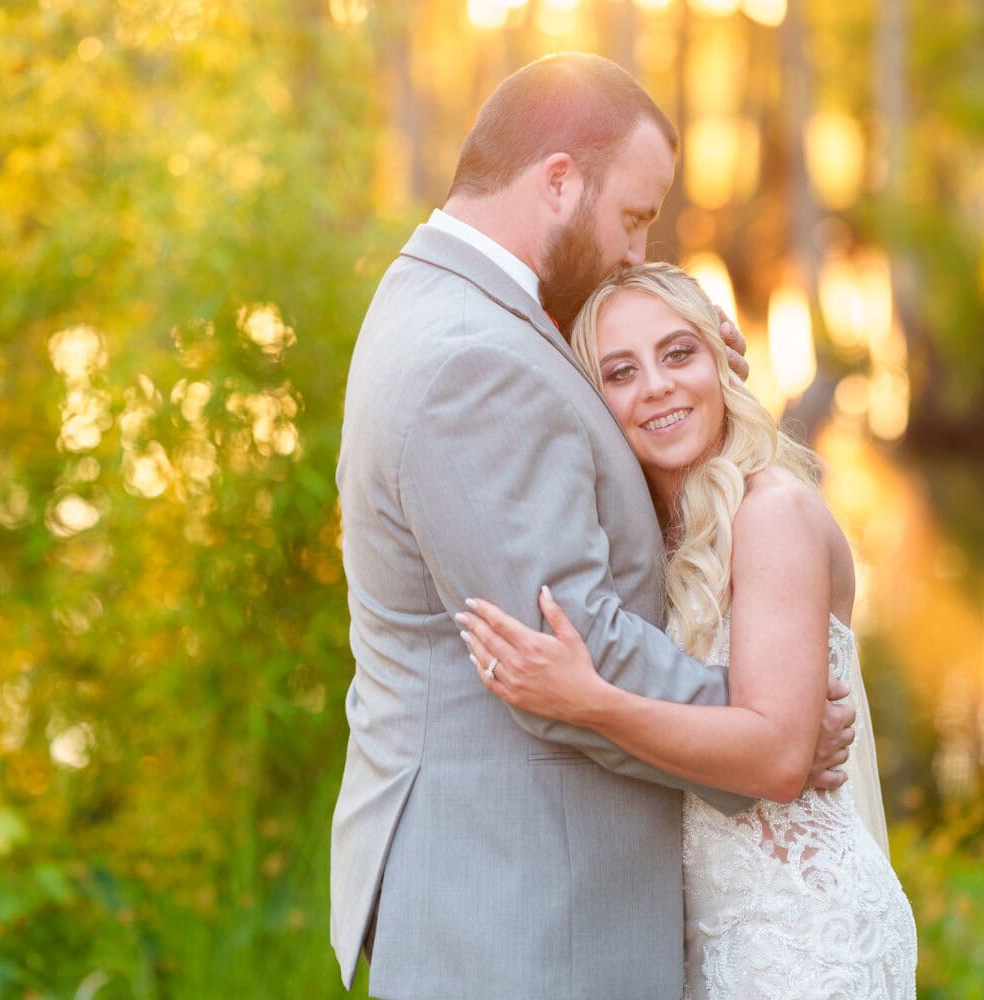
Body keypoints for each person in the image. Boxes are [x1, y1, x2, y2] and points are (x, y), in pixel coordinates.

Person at [330, 53, 857, 1000]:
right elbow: (567, 642)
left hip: (509, 896)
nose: (634, 252)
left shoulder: (452, 306)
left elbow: (585, 508)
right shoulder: (473, 361)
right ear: (561, 180)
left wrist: (676, 370)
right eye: (636, 218)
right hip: (529, 916)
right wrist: (763, 731)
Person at [457, 263, 918, 999]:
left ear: (720, 362)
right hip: (715, 941)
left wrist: (589, 701)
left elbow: (774, 759)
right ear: (593, 402)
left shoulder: (772, 513)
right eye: (621, 372)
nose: (658, 386)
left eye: (679, 353)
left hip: (801, 942)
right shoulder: (650, 537)